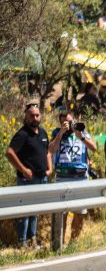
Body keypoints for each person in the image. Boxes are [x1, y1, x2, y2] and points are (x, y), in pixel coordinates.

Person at [6, 103, 51, 248]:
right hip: (27, 180)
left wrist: (49, 168)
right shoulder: (22, 134)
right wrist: (23, 169)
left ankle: (33, 240)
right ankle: (22, 243)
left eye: (37, 115)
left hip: (42, 178)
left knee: (34, 211)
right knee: (24, 212)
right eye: (32, 115)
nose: (35, 118)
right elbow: (10, 153)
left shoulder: (43, 133)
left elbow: (47, 152)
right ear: (26, 117)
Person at [49, 109, 97, 244]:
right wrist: (61, 133)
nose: (69, 125)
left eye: (70, 122)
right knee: (61, 214)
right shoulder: (56, 132)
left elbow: (94, 148)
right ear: (60, 122)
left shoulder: (82, 132)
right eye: (65, 122)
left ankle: (73, 244)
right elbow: (51, 150)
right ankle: (59, 243)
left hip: (81, 178)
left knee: (80, 213)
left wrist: (81, 136)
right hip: (62, 177)